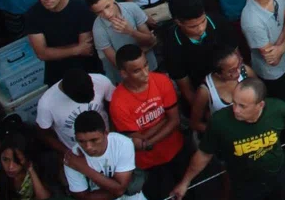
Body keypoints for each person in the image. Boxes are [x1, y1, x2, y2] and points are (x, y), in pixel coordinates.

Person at [170, 78, 285, 200]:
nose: (235, 110)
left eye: (242, 106)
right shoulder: (219, 121)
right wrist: (185, 182)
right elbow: (203, 155)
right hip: (244, 185)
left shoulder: (277, 109)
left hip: (276, 174)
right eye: (234, 103)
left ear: (260, 105)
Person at [109, 45, 187, 200]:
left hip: (177, 150)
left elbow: (174, 120)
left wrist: (146, 142)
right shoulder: (118, 102)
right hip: (149, 164)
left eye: (146, 65)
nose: (145, 73)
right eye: (137, 70)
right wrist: (164, 120)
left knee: (190, 191)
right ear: (123, 73)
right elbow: (136, 141)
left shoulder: (161, 81)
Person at [161, 0, 239, 109]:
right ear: (178, 22)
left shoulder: (220, 23)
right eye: (193, 26)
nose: (200, 28)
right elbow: (186, 88)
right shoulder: (171, 45)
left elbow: (236, 57)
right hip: (199, 89)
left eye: (203, 21)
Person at [26, 0, 102, 86]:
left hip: (88, 71)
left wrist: (55, 51)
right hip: (57, 76)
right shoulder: (33, 14)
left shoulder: (81, 8)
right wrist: (76, 49)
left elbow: (87, 49)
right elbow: (41, 53)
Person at [63, 111, 146, 200]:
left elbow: (119, 189)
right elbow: (83, 197)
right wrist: (116, 190)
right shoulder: (72, 158)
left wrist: (85, 169)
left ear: (106, 133)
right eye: (81, 141)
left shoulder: (123, 143)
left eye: (94, 140)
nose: (88, 147)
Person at [85, 0, 158, 83]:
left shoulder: (131, 8)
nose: (107, 14)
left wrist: (131, 32)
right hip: (127, 79)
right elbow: (117, 63)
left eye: (107, 6)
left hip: (150, 68)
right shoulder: (98, 29)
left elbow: (150, 40)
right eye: (99, 12)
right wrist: (144, 50)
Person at [35, 68, 116, 153]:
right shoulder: (46, 103)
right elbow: (44, 132)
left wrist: (113, 134)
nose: (91, 100)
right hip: (78, 152)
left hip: (109, 143)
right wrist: (68, 153)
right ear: (67, 94)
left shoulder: (101, 81)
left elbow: (113, 107)